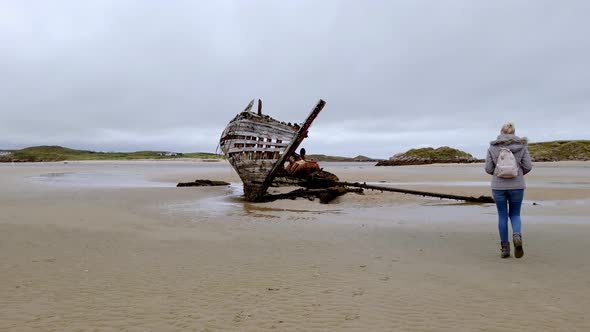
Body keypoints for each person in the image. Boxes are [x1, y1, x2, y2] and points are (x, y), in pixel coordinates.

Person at [485, 122, 533, 259]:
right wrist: (518, 174)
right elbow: (528, 166)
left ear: (501, 132)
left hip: (498, 187)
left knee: (502, 216)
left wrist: (498, 173)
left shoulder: (493, 147)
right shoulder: (522, 146)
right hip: (517, 186)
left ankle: (505, 249)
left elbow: (488, 169)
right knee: (515, 214)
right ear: (514, 132)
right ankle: (517, 236)